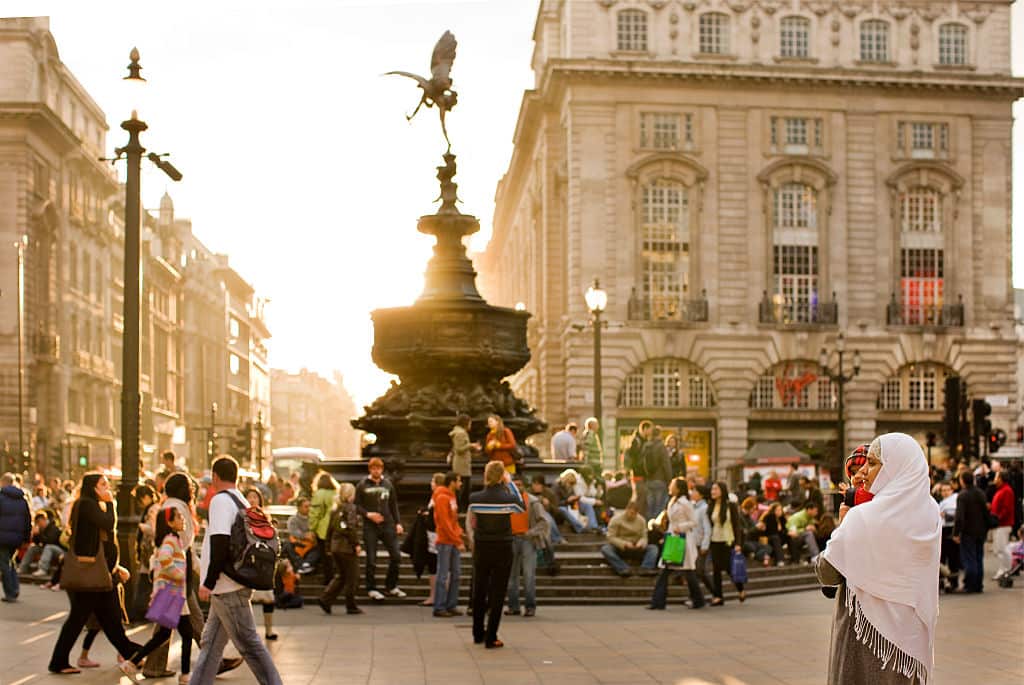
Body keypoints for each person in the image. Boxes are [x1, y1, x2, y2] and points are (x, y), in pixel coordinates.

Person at [816, 433, 940, 684]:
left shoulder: (863, 517)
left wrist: (843, 525)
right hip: (908, 640)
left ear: (894, 469)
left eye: (872, 463)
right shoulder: (930, 514)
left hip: (864, 638)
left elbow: (827, 572)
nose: (864, 471)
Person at [191, 456, 282, 685]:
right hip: (232, 584)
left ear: (215, 476)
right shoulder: (240, 499)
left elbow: (220, 543)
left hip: (226, 586)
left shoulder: (220, 501)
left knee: (248, 643)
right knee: (210, 644)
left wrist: (209, 582)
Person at [47, 473, 145, 674]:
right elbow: (109, 524)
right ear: (92, 487)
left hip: (101, 575)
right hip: (91, 575)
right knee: (79, 619)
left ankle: (132, 654)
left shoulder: (90, 505)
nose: (107, 488)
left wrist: (115, 567)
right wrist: (110, 504)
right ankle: (58, 661)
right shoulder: (86, 504)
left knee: (111, 621)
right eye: (103, 484)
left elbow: (105, 537)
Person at [121, 507, 194, 683]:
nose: (183, 519)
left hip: (172, 594)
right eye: (178, 517)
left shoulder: (172, 539)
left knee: (164, 635)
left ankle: (131, 663)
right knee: (186, 634)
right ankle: (185, 675)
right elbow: (164, 558)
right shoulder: (170, 540)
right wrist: (179, 575)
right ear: (169, 522)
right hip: (173, 594)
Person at [467, 460, 524, 648]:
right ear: (502, 476)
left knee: (479, 589)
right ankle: (491, 636)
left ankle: (477, 633)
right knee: (498, 592)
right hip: (503, 546)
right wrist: (510, 484)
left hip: (482, 546)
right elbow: (521, 507)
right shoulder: (508, 499)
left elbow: (473, 519)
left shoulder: (475, 498)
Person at [649, 477, 705, 610]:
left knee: (686, 571)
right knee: (667, 570)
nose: (669, 486)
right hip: (673, 539)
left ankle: (697, 600)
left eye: (672, 485)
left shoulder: (685, 503)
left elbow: (693, 522)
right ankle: (658, 601)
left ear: (678, 488)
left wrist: (681, 527)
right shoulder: (672, 501)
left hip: (682, 539)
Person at [355, 457, 405, 600]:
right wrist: (368, 514)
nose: (376, 471)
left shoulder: (388, 484)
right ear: (370, 469)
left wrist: (398, 522)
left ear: (382, 469)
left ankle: (391, 585)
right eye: (373, 468)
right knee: (371, 558)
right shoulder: (362, 485)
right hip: (370, 526)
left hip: (387, 524)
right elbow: (357, 505)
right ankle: (371, 587)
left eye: (378, 468)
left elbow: (393, 504)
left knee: (396, 555)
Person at [505, 473, 549, 617]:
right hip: (511, 539)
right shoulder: (507, 501)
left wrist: (530, 533)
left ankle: (530, 606)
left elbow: (544, 522)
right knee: (511, 575)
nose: (517, 488)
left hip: (527, 540)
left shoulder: (533, 502)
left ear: (524, 486)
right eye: (514, 485)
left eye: (519, 485)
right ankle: (513, 606)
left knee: (528, 574)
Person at [318, 482, 363, 615]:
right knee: (352, 576)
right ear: (350, 495)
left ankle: (326, 599)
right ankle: (351, 605)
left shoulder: (335, 509)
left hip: (335, 547)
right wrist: (356, 544)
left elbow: (330, 529)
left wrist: (328, 545)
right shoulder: (350, 508)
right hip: (346, 547)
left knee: (341, 575)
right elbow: (350, 528)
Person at [244, 488, 278, 641]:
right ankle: (248, 632)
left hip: (264, 562)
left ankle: (269, 630)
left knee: (268, 597)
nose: (252, 500)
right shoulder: (242, 517)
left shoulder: (266, 518)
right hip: (248, 561)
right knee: (246, 599)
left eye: (255, 497)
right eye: (249, 497)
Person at [706, 481, 745, 605]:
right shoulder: (710, 505)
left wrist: (738, 543)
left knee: (729, 568)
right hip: (714, 540)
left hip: (728, 540)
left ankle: (740, 588)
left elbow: (736, 525)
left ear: (722, 491)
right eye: (712, 489)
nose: (713, 492)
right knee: (716, 569)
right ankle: (718, 596)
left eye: (716, 489)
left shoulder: (730, 506)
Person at [432, 471, 465, 617]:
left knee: (456, 574)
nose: (461, 484)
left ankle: (451, 604)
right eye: (459, 481)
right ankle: (439, 606)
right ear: (452, 482)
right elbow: (444, 522)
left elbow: (453, 519)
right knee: (443, 574)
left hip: (452, 539)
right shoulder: (442, 497)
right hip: (445, 541)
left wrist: (459, 533)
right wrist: (457, 540)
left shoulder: (451, 497)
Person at [601, 501, 658, 577]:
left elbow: (644, 536)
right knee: (606, 549)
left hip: (636, 547)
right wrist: (623, 544)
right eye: (631, 512)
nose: (632, 515)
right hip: (621, 548)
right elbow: (610, 537)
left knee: (653, 548)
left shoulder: (641, 520)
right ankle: (623, 568)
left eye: (635, 513)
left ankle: (646, 568)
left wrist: (642, 543)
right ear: (626, 510)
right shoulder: (615, 520)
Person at [954, 471, 988, 594]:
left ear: (962, 481)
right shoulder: (980, 493)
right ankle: (978, 584)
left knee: (969, 558)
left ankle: (970, 584)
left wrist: (956, 533)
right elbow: (985, 512)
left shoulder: (963, 495)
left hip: (968, 531)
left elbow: (959, 517)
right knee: (979, 557)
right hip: (980, 530)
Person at [0, 472, 30, 602]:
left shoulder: (1, 498)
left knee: (4, 564)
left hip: (2, 536)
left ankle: (10, 592)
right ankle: (15, 588)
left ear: (3, 482)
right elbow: (28, 520)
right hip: (17, 537)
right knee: (11, 562)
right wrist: (26, 538)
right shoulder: (22, 499)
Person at [307, 471, 337, 582]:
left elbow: (315, 513)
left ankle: (328, 579)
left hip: (323, 529)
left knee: (325, 555)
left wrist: (312, 528)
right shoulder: (336, 493)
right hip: (335, 528)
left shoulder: (319, 494)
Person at [18, 511, 64, 577]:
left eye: (39, 522)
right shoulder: (41, 529)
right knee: (33, 548)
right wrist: (35, 535)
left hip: (58, 550)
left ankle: (43, 569)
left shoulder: (54, 527)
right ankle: (22, 568)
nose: (39, 524)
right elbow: (37, 542)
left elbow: (50, 541)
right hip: (47, 549)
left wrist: (39, 534)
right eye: (37, 522)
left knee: (48, 547)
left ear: (44, 520)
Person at [641, 426, 672, 520]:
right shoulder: (661, 446)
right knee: (659, 508)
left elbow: (642, 464)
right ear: (660, 434)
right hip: (660, 480)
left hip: (648, 480)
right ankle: (656, 527)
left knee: (650, 507)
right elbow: (666, 465)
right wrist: (669, 480)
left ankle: (649, 526)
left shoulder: (646, 446)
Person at [990, 470, 1016, 580]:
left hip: (1003, 524)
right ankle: (1004, 569)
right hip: (999, 524)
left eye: (996, 477)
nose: (995, 480)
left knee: (1002, 549)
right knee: (999, 548)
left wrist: (998, 518)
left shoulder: (1007, 491)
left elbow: (1006, 509)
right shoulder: (1002, 490)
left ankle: (1005, 570)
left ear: (1001, 479)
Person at [283, 497, 320, 574]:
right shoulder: (293, 519)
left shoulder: (313, 518)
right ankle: (301, 565)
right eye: (306, 506)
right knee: (287, 545)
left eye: (309, 506)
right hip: (297, 543)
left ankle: (306, 564)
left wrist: (312, 535)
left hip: (310, 544)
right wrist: (305, 535)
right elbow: (294, 531)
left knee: (318, 548)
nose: (308, 508)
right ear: (299, 507)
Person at [449, 414, 477, 513]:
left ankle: (462, 509)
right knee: (463, 488)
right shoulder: (461, 433)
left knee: (463, 488)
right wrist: (471, 445)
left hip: (462, 464)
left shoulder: (458, 432)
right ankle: (461, 509)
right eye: (470, 423)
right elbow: (459, 449)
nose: (470, 425)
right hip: (462, 465)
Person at [936, 481, 960, 592]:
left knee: (953, 558)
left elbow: (957, 516)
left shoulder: (955, 500)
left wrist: (946, 515)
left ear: (952, 490)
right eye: (943, 490)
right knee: (942, 558)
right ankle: (942, 583)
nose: (945, 492)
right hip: (942, 530)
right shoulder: (941, 503)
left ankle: (953, 583)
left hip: (952, 530)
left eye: (947, 490)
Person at [625, 421, 652, 510]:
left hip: (643, 474)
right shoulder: (637, 441)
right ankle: (632, 513)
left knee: (641, 497)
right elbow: (633, 457)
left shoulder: (644, 441)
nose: (651, 432)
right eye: (649, 429)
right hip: (638, 474)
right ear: (644, 429)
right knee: (640, 496)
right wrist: (635, 470)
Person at [756, 501, 788, 567]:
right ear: (773, 511)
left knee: (789, 536)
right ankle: (780, 560)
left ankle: (795, 559)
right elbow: (770, 531)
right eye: (777, 510)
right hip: (769, 538)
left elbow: (784, 530)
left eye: (780, 510)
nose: (779, 512)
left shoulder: (782, 518)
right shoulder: (769, 517)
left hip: (779, 538)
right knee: (775, 537)